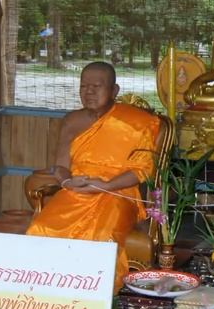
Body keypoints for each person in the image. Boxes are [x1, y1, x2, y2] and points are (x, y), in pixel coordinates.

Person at [26, 61, 160, 294]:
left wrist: (106, 185)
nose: (88, 92)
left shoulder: (136, 122)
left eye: (96, 86)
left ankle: (94, 299)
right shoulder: (72, 121)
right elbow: (60, 167)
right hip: (76, 191)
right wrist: (68, 182)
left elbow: (142, 170)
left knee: (101, 235)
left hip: (117, 193)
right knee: (41, 227)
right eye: (84, 86)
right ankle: (48, 295)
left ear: (114, 91)